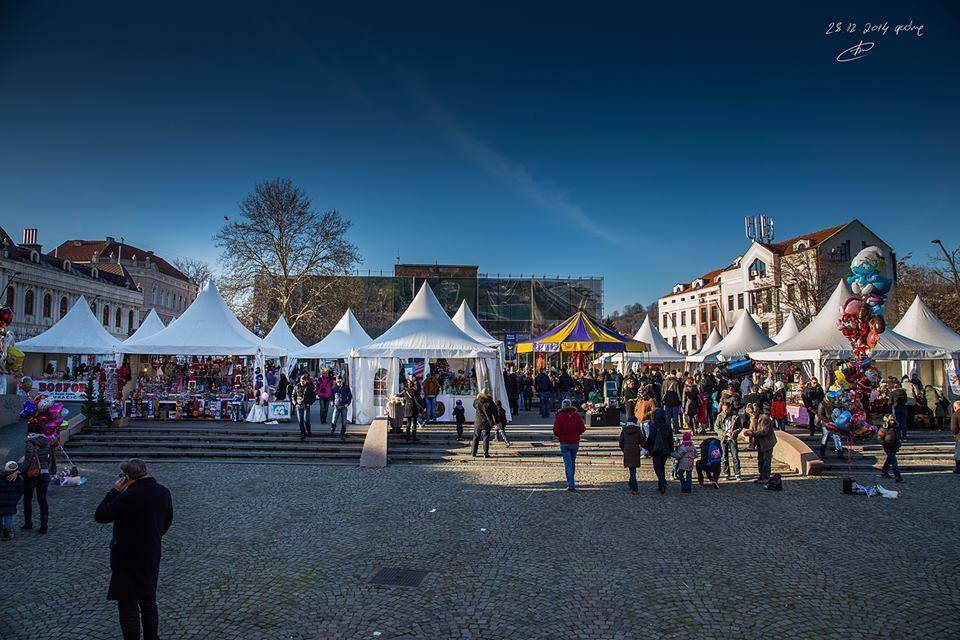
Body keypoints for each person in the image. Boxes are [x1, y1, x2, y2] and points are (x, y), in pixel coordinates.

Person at [94, 459, 173, 640]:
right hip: (151, 553)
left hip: (127, 556)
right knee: (148, 600)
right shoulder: (163, 492)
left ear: (126, 477)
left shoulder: (128, 496)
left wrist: (114, 491)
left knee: (128, 604)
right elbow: (167, 521)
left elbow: (101, 515)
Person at [21, 430, 56, 533]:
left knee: (27, 498)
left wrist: (19, 471)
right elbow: (50, 460)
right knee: (42, 499)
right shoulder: (47, 443)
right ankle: (44, 525)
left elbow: (27, 461)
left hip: (32, 475)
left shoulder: (30, 443)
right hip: (45, 474)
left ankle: (28, 523)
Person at [553, 398, 586, 491]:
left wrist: (560, 435)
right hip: (575, 442)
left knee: (568, 464)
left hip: (564, 442)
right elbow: (582, 428)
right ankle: (571, 481)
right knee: (572, 462)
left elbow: (556, 431)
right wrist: (577, 433)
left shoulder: (559, 417)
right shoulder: (576, 416)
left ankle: (571, 484)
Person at [742, 404, 776, 483]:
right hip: (760, 443)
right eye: (750, 414)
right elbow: (752, 428)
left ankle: (766, 477)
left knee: (766, 460)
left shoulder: (764, 418)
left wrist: (752, 432)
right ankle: (761, 476)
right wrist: (748, 432)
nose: (752, 415)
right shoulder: (752, 418)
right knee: (760, 459)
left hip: (767, 442)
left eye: (753, 413)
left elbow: (764, 431)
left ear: (756, 411)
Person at [645, 409, 675, 495]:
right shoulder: (667, 426)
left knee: (657, 467)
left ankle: (662, 482)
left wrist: (648, 447)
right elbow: (670, 439)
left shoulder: (653, 426)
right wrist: (671, 449)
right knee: (661, 466)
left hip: (656, 449)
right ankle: (661, 485)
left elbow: (651, 438)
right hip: (665, 449)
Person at [713, 401, 742, 481]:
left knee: (735, 456)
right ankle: (726, 473)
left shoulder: (735, 416)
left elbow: (740, 427)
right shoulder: (720, 416)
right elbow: (716, 427)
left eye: (726, 410)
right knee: (724, 457)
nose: (724, 411)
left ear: (729, 408)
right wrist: (725, 433)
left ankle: (737, 473)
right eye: (723, 410)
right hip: (723, 439)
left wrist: (734, 433)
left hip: (732, 439)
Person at [618, 416, 646, 493]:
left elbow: (621, 442)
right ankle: (635, 488)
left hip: (627, 452)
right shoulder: (638, 430)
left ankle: (631, 485)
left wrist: (624, 450)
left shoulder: (624, 431)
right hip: (635, 452)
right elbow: (643, 442)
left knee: (631, 470)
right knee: (633, 470)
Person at [472, 389, 498, 458]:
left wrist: (478, 397)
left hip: (478, 422)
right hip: (486, 422)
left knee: (476, 437)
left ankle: (473, 453)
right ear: (488, 393)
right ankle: (485, 453)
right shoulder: (490, 402)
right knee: (486, 437)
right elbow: (495, 412)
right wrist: (497, 421)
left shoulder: (477, 401)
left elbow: (474, 405)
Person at [878, 414, 904, 483]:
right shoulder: (884, 427)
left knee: (889, 460)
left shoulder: (896, 426)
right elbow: (880, 437)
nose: (892, 421)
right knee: (894, 462)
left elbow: (899, 435)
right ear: (887, 420)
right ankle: (898, 477)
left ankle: (884, 472)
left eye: (893, 419)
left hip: (895, 446)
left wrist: (899, 442)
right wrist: (884, 444)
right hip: (888, 447)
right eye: (891, 419)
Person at [1, 461, 23, 541]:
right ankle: (7, 532)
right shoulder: (18, 480)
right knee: (8, 517)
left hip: (1, 501)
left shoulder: (1, 478)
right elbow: (21, 490)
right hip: (11, 502)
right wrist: (16, 498)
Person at [290, 374, 316, 439]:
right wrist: (295, 403)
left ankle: (309, 431)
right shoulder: (296, 387)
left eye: (304, 381)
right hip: (299, 405)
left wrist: (310, 403)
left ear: (306, 381)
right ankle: (303, 433)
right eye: (301, 381)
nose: (302, 382)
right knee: (300, 421)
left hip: (306, 405)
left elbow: (313, 396)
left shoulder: (309, 387)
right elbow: (293, 396)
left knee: (306, 420)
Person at [402, 376, 424, 442]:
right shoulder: (414, 392)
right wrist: (423, 407)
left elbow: (403, 399)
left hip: (407, 408)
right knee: (414, 423)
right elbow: (418, 401)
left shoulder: (405, 391)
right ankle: (414, 437)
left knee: (408, 423)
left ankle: (407, 437)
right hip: (413, 408)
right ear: (413, 385)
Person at [951, 401, 960, 474]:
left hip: (959, 436)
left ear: (955, 407)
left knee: (958, 453)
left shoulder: (955, 415)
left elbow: (954, 428)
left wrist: (955, 434)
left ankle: (958, 468)